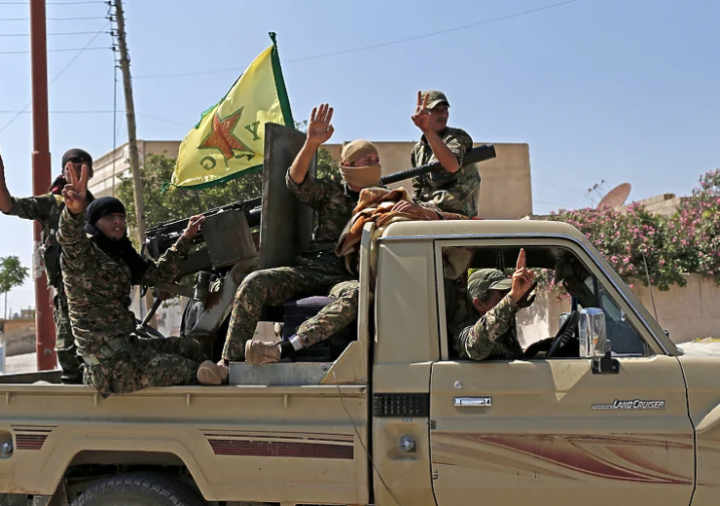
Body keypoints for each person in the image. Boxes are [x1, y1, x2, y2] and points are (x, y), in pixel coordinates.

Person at [197, 103, 440, 380]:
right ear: (348, 166)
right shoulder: (332, 192)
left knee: (358, 295)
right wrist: (312, 143)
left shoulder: (387, 199)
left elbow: (432, 214)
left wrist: (427, 213)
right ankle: (227, 365)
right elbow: (296, 181)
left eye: (376, 159)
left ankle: (283, 348)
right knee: (254, 282)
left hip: (345, 275)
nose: (374, 164)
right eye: (366, 159)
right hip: (309, 269)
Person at [57, 165, 207, 396]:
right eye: (110, 217)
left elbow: (158, 274)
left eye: (121, 217)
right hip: (108, 368)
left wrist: (186, 239)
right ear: (94, 222)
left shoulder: (121, 257)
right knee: (188, 370)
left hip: (129, 349)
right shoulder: (82, 256)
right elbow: (69, 238)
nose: (118, 221)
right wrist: (74, 212)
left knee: (189, 348)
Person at [0, 148, 96, 384]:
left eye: (83, 169)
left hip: (99, 291)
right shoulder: (52, 204)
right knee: (69, 356)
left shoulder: (100, 208)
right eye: (72, 168)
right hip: (67, 293)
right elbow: (8, 206)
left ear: (91, 173)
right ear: (63, 172)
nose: (77, 174)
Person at [454, 249, 542, 361]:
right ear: (479, 303)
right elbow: (476, 348)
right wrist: (512, 297)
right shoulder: (463, 332)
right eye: (502, 293)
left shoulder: (503, 326)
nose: (508, 297)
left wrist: (516, 304)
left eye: (509, 292)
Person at [410, 90, 481, 217]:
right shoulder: (418, 150)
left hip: (457, 215)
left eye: (445, 109)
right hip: (430, 212)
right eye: (436, 110)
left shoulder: (457, 137)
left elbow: (452, 165)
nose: (443, 114)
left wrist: (428, 131)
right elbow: (418, 190)